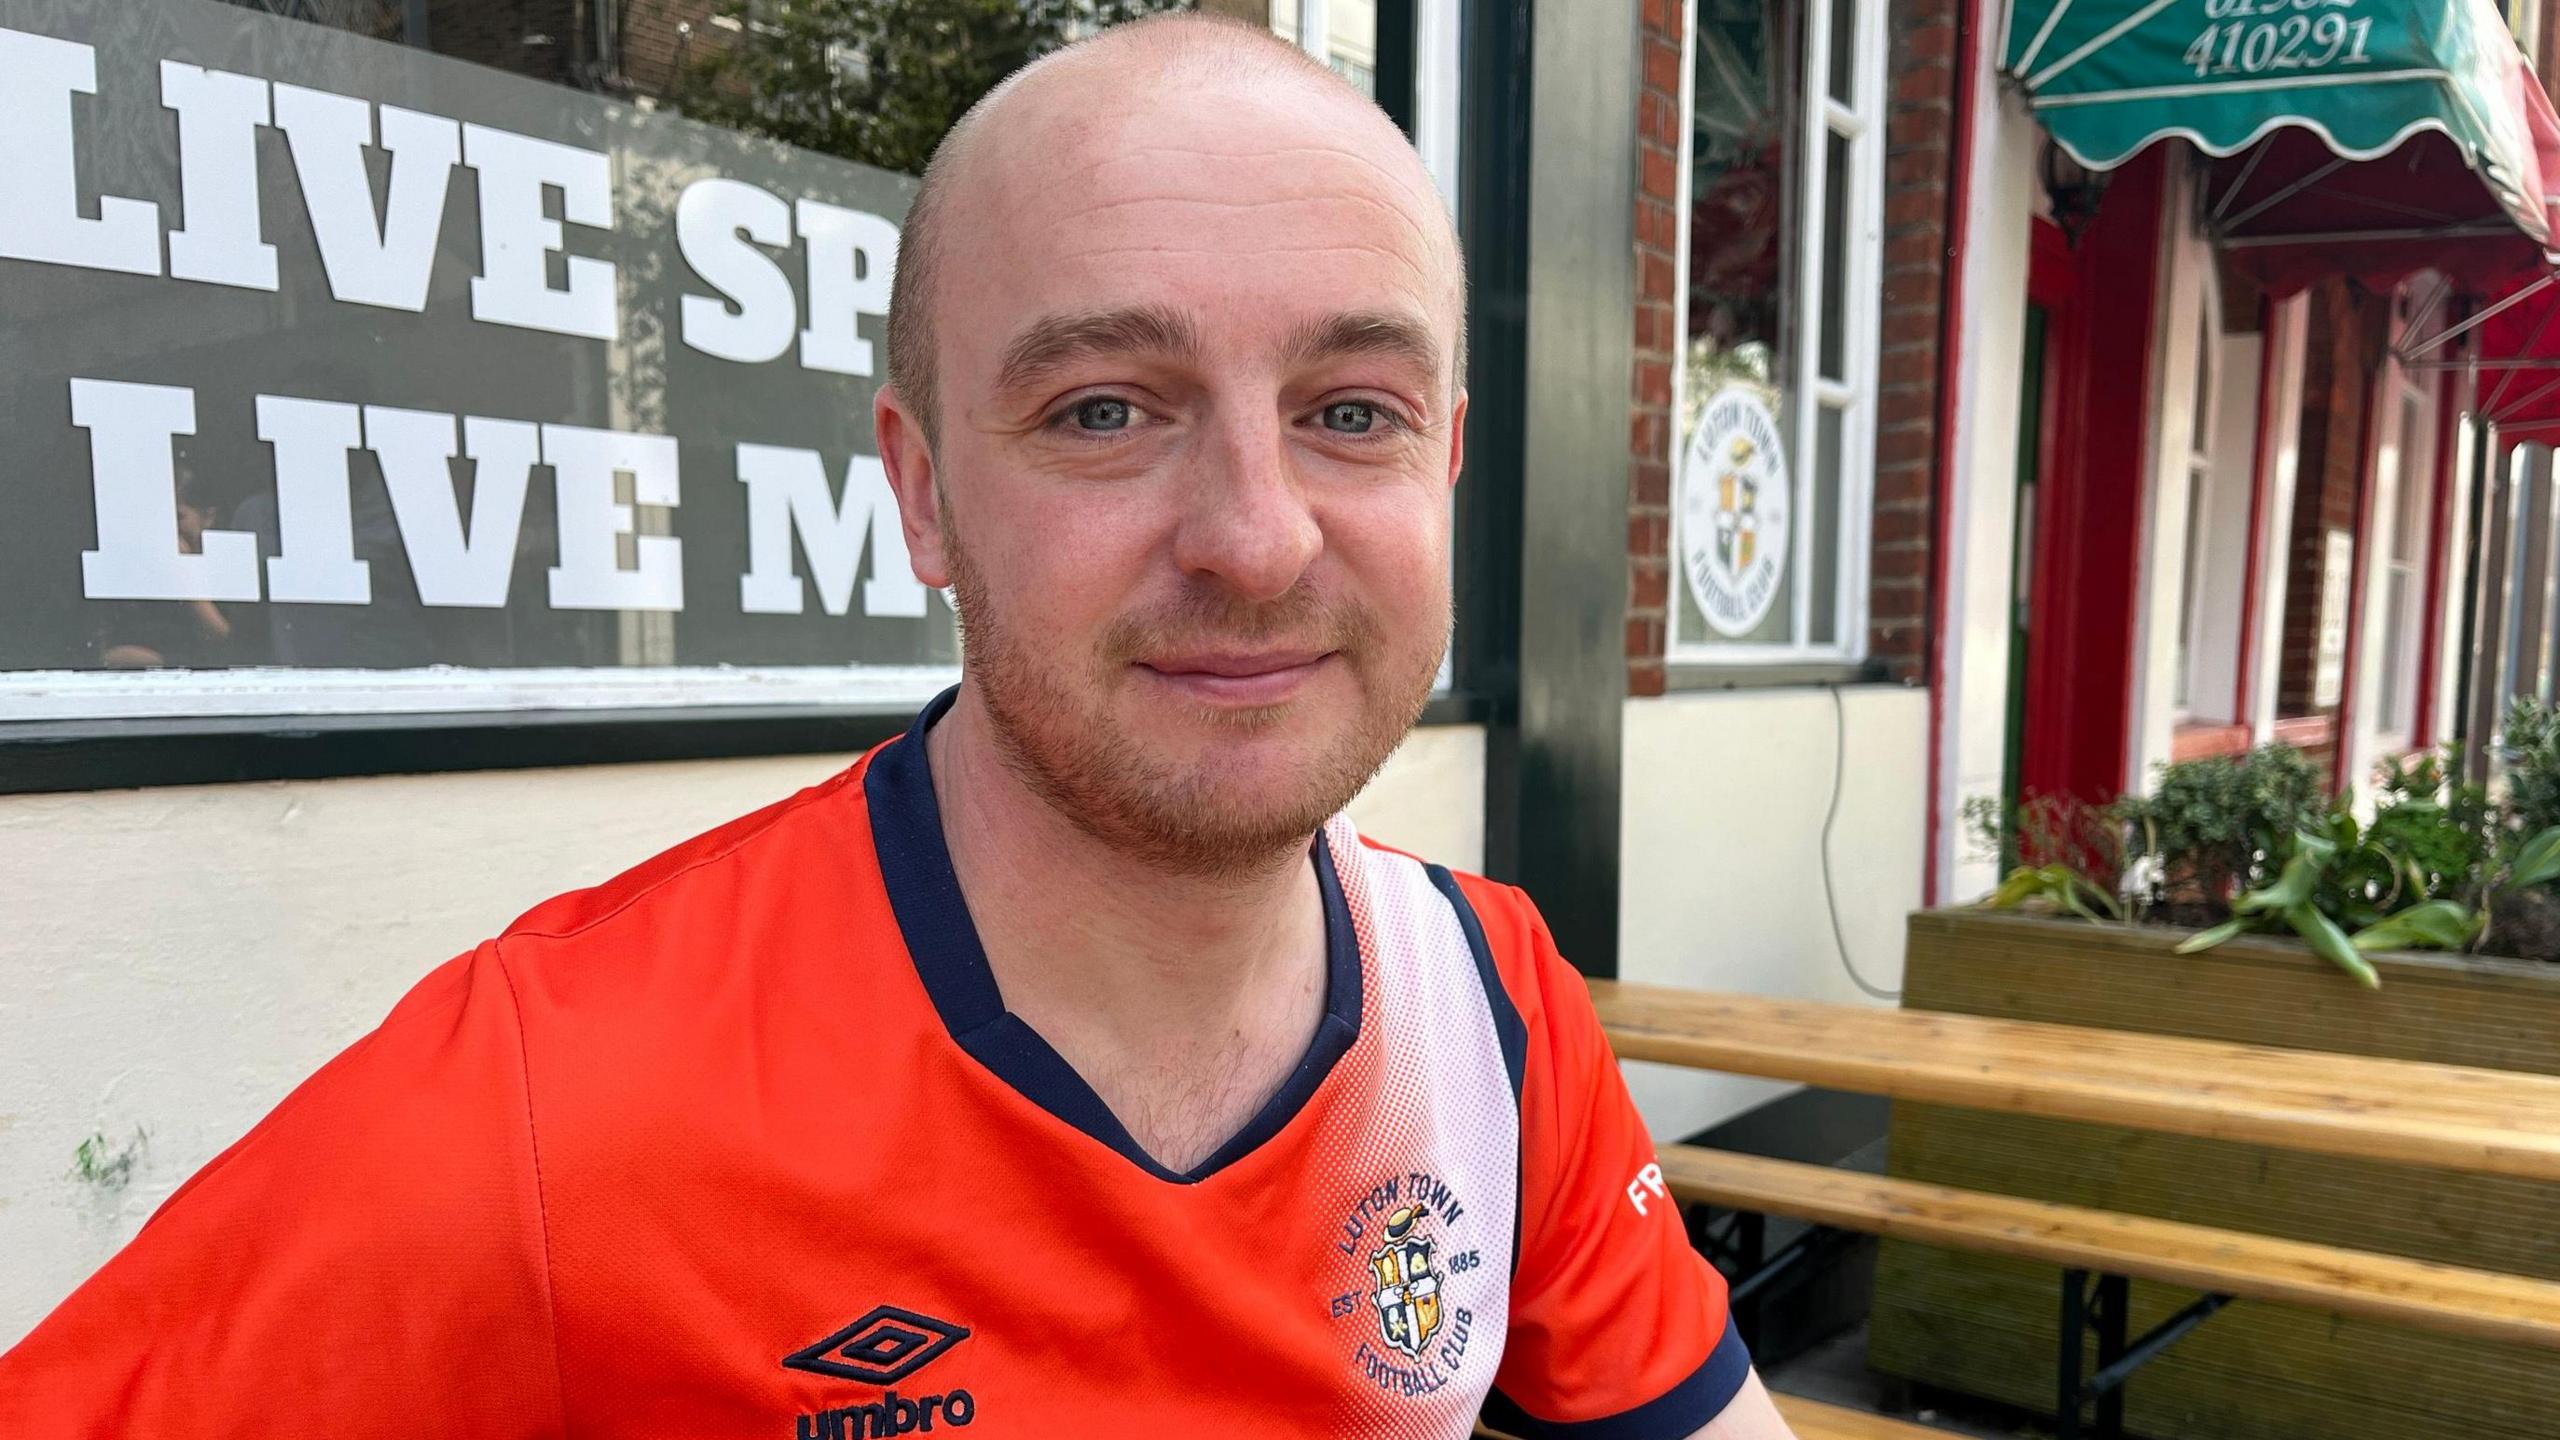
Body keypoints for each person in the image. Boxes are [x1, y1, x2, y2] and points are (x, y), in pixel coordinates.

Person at [0, 15, 1797, 1439]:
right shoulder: (558, 1097)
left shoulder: (1486, 1007)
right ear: (923, 496)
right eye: (1105, 410)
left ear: (1449, 465)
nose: (1257, 535)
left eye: (1352, 409)